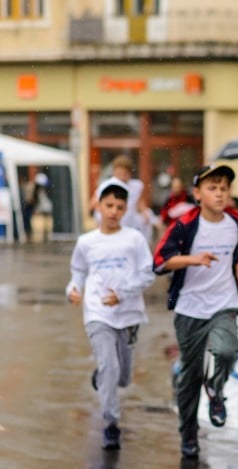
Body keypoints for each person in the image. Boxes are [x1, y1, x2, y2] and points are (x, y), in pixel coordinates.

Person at [153, 164, 238, 459]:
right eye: (212, 188)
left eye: (224, 188)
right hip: (190, 308)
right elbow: (159, 262)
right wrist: (193, 260)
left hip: (224, 302)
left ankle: (216, 391)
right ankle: (188, 433)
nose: (220, 193)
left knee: (226, 350)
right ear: (197, 193)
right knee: (190, 375)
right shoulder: (184, 225)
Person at [66, 178, 155, 450]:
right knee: (111, 367)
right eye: (109, 205)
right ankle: (111, 424)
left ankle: (102, 377)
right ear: (99, 207)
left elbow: (148, 273)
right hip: (97, 312)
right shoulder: (86, 242)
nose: (114, 211)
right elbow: (78, 271)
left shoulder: (134, 239)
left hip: (128, 314)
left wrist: (124, 293)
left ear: (126, 209)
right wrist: (73, 288)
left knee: (123, 377)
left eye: (119, 206)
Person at [93, 155, 151, 241]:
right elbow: (95, 203)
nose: (122, 176)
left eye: (125, 173)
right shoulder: (106, 185)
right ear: (114, 172)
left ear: (130, 173)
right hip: (111, 223)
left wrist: (145, 213)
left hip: (129, 222)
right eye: (120, 173)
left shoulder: (136, 186)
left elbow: (139, 203)